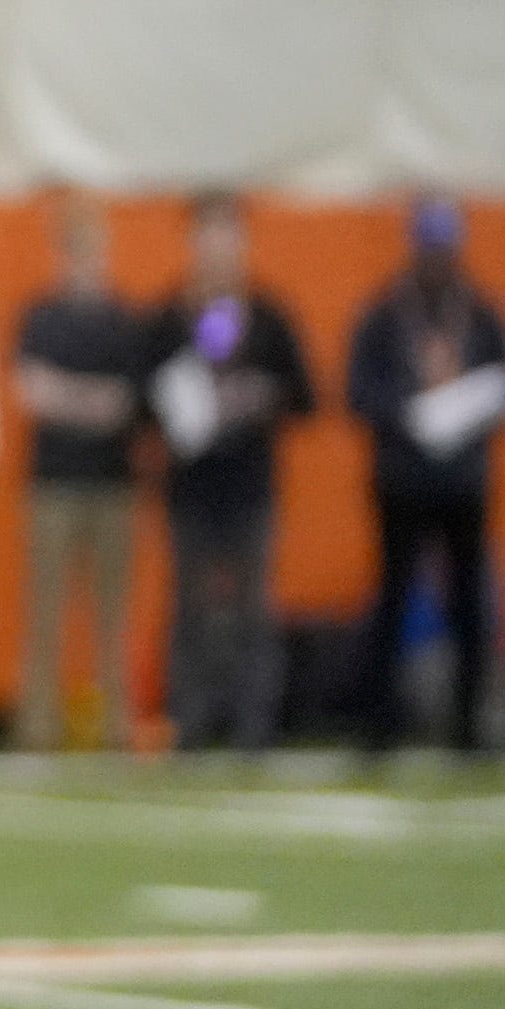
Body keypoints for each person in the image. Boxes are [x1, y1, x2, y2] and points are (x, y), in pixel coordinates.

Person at [345, 195, 505, 753]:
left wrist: (467, 407)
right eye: (430, 248)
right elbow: (356, 389)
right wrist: (409, 412)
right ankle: (380, 725)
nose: (438, 260)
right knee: (393, 599)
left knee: (468, 602)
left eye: (446, 249)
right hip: (402, 478)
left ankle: (468, 725)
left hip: (463, 479)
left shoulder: (481, 311)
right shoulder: (387, 312)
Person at [143, 191, 313, 751]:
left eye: (227, 237)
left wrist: (259, 396)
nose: (217, 250)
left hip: (249, 485)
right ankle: (189, 723)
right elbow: (139, 400)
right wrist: (178, 405)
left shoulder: (266, 317)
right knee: (189, 608)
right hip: (191, 487)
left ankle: (252, 726)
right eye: (207, 237)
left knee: (253, 610)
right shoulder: (172, 316)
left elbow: (307, 396)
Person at [10, 190, 142, 750]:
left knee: (113, 613)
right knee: (45, 611)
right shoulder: (41, 315)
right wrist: (89, 403)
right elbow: (30, 391)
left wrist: (68, 398)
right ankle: (37, 729)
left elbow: (128, 401)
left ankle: (116, 727)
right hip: (54, 486)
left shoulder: (123, 321)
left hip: (113, 485)